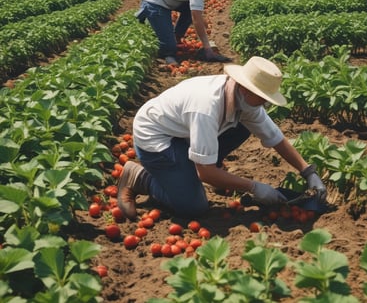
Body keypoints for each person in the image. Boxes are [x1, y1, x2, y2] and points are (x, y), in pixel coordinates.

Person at [117, 56, 326, 220]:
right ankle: (140, 177)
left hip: (182, 133)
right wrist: (254, 187)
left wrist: (308, 172)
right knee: (194, 206)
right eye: (262, 98)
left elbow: (275, 138)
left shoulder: (245, 99)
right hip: (156, 138)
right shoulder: (207, 107)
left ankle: (188, 172)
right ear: (246, 88)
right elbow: (205, 172)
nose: (264, 103)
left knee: (244, 126)